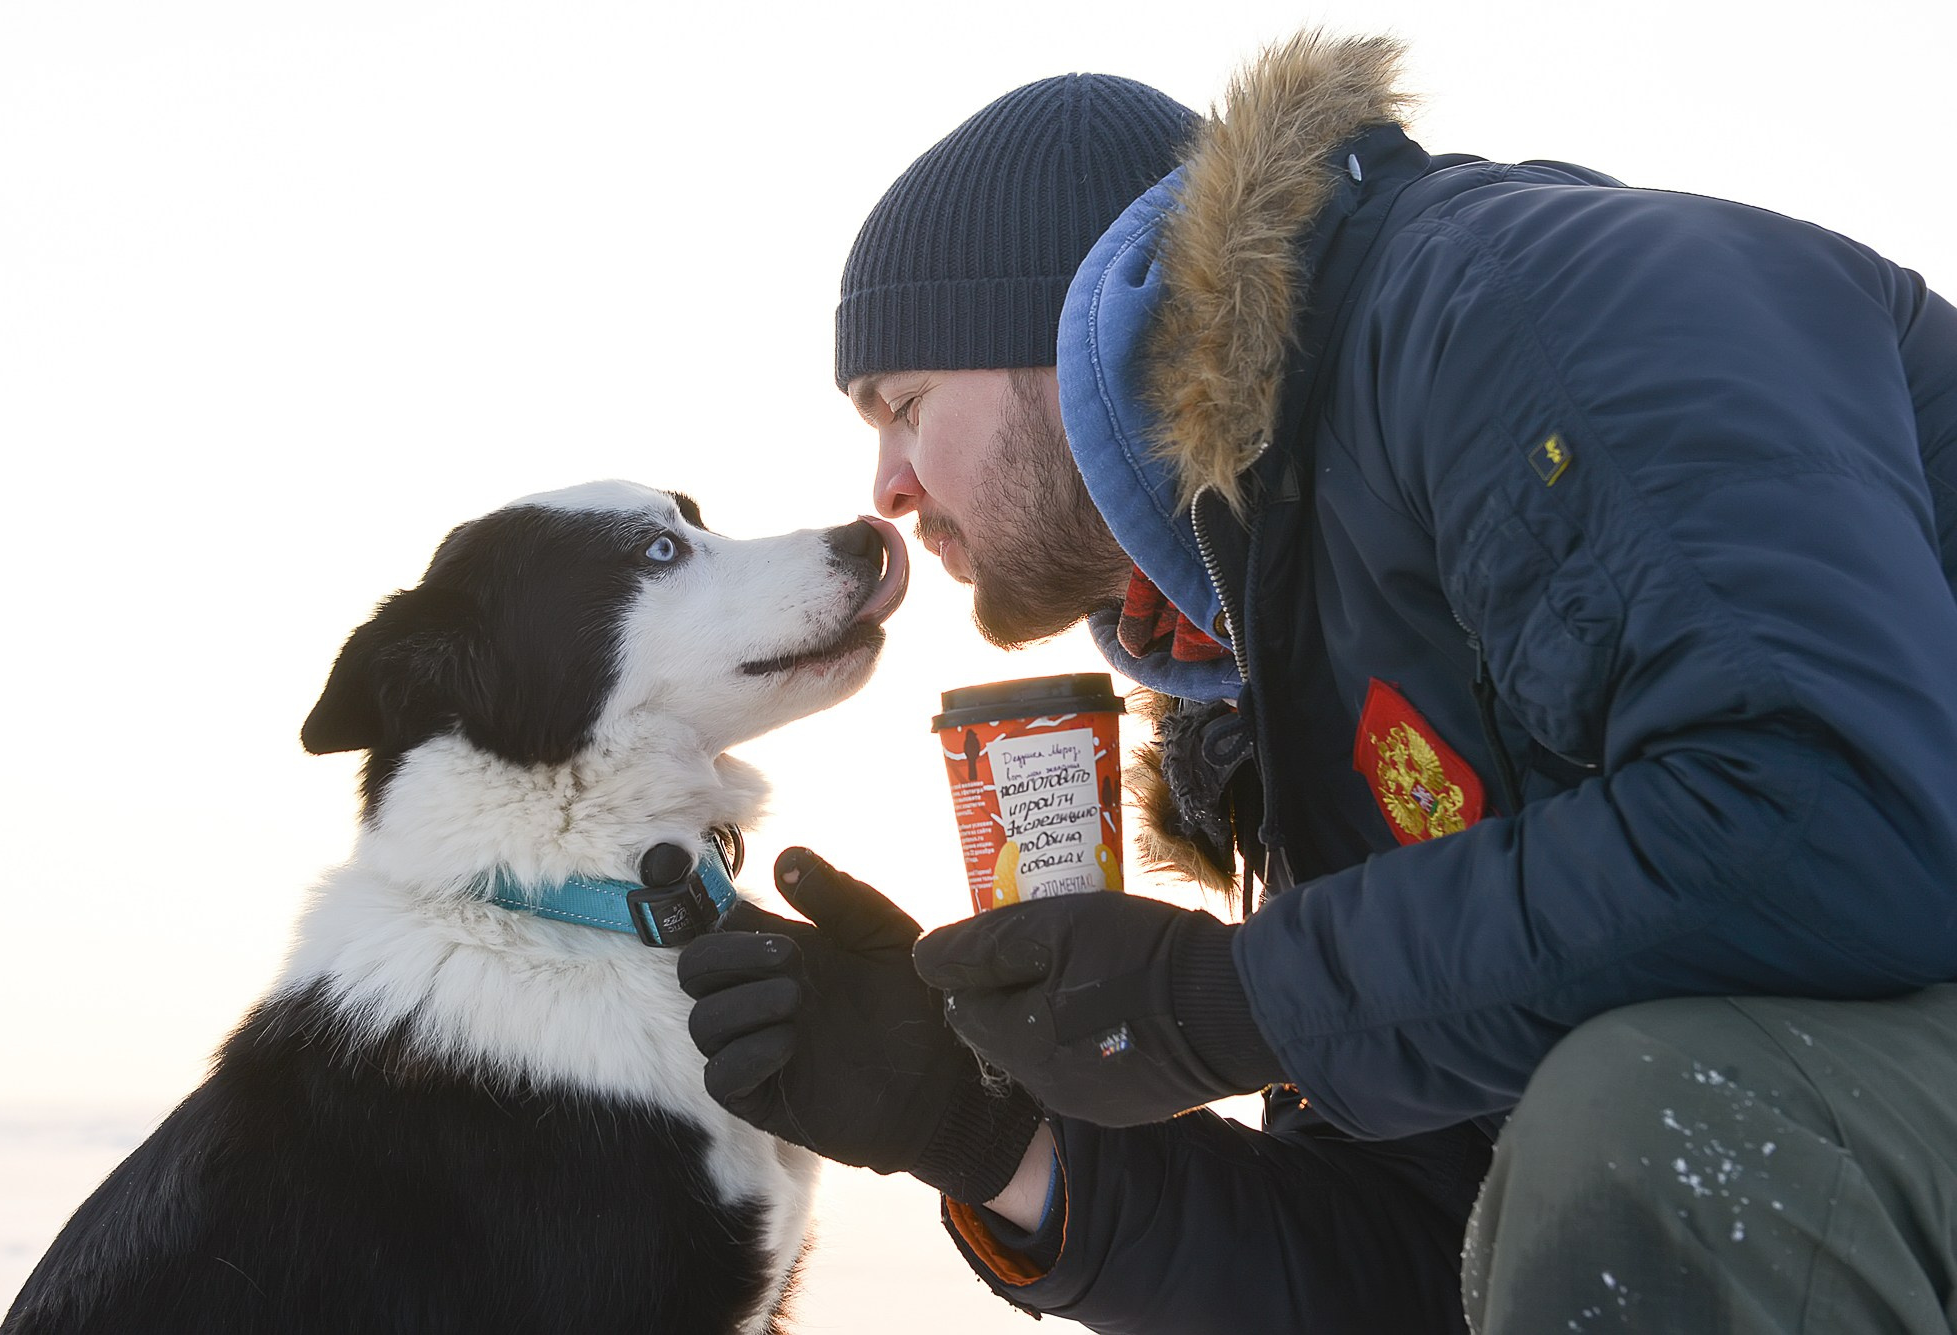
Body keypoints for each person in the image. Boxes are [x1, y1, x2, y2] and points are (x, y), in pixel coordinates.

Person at [678, 30, 1957, 1333]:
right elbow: (1421, 1255)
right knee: (1597, 1147)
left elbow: (1837, 822)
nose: (887, 489)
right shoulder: (1290, 683)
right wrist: (986, 1135)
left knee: (1648, 1128)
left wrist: (1237, 1000)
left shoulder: (1511, 306)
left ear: (1058, 340)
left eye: (901, 402)